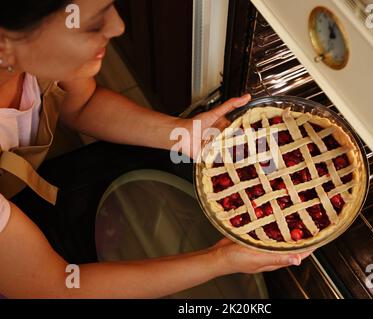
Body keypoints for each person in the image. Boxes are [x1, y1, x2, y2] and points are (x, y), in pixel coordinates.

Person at [0, 0, 311, 298]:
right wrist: (221, 259)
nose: (118, 27)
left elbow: (81, 103)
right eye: (93, 24)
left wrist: (183, 134)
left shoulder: (29, 46)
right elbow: (58, 287)